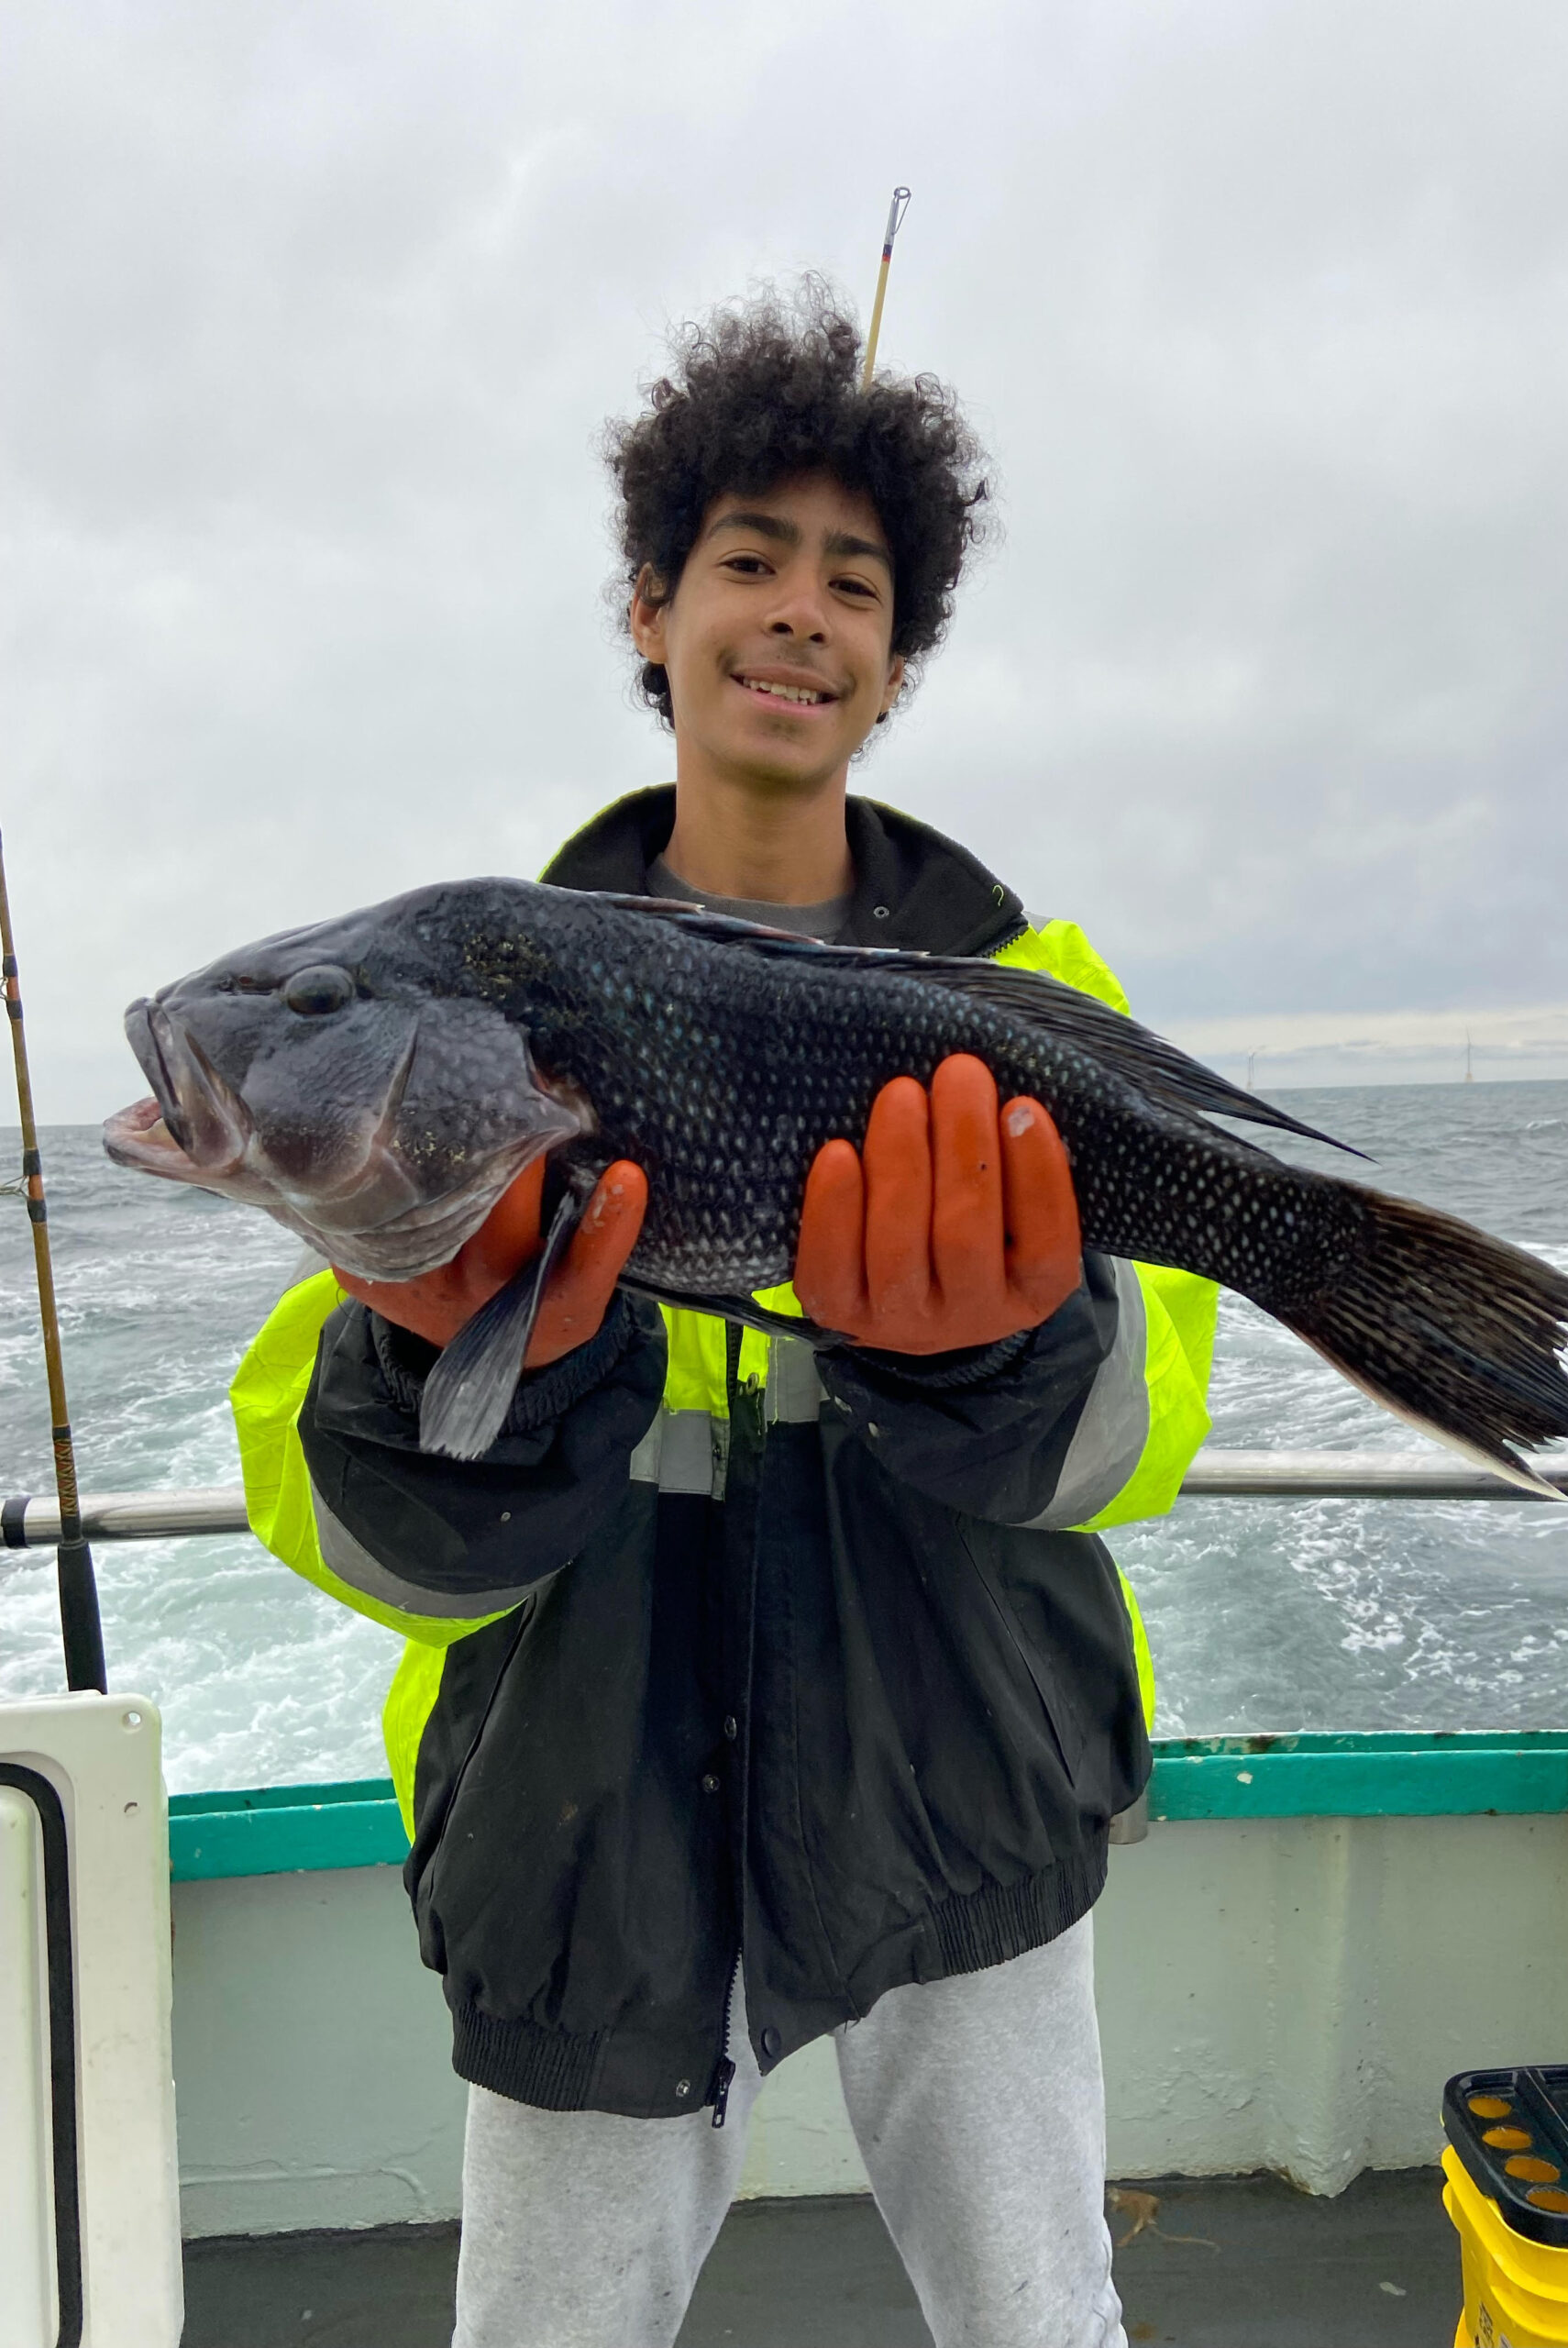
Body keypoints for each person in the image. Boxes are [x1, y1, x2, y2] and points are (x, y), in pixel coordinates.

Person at [231, 287, 1219, 2348]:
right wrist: (432, 1363)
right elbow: (335, 1519)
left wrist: (1000, 1345)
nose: (797, 611)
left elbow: (1150, 1424)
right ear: (649, 609)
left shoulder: (1040, 977)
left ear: (898, 652)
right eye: (747, 559)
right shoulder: (463, 993)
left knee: (1047, 2316)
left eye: (851, 579)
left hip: (973, 1773)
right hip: (581, 1813)